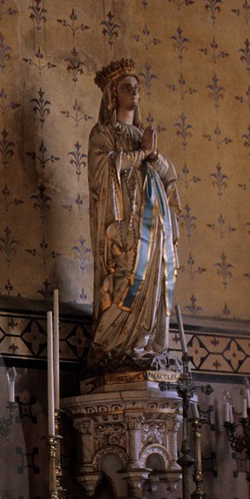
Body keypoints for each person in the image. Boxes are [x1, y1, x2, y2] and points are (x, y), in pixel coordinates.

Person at [88, 58, 183, 371]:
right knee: (129, 275)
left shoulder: (144, 135)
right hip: (126, 225)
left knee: (156, 277)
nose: (135, 93)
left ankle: (143, 344)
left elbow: (168, 174)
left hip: (154, 224)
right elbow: (103, 172)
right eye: (127, 88)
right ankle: (115, 346)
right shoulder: (102, 133)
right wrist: (142, 154)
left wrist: (153, 156)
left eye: (137, 88)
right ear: (113, 95)